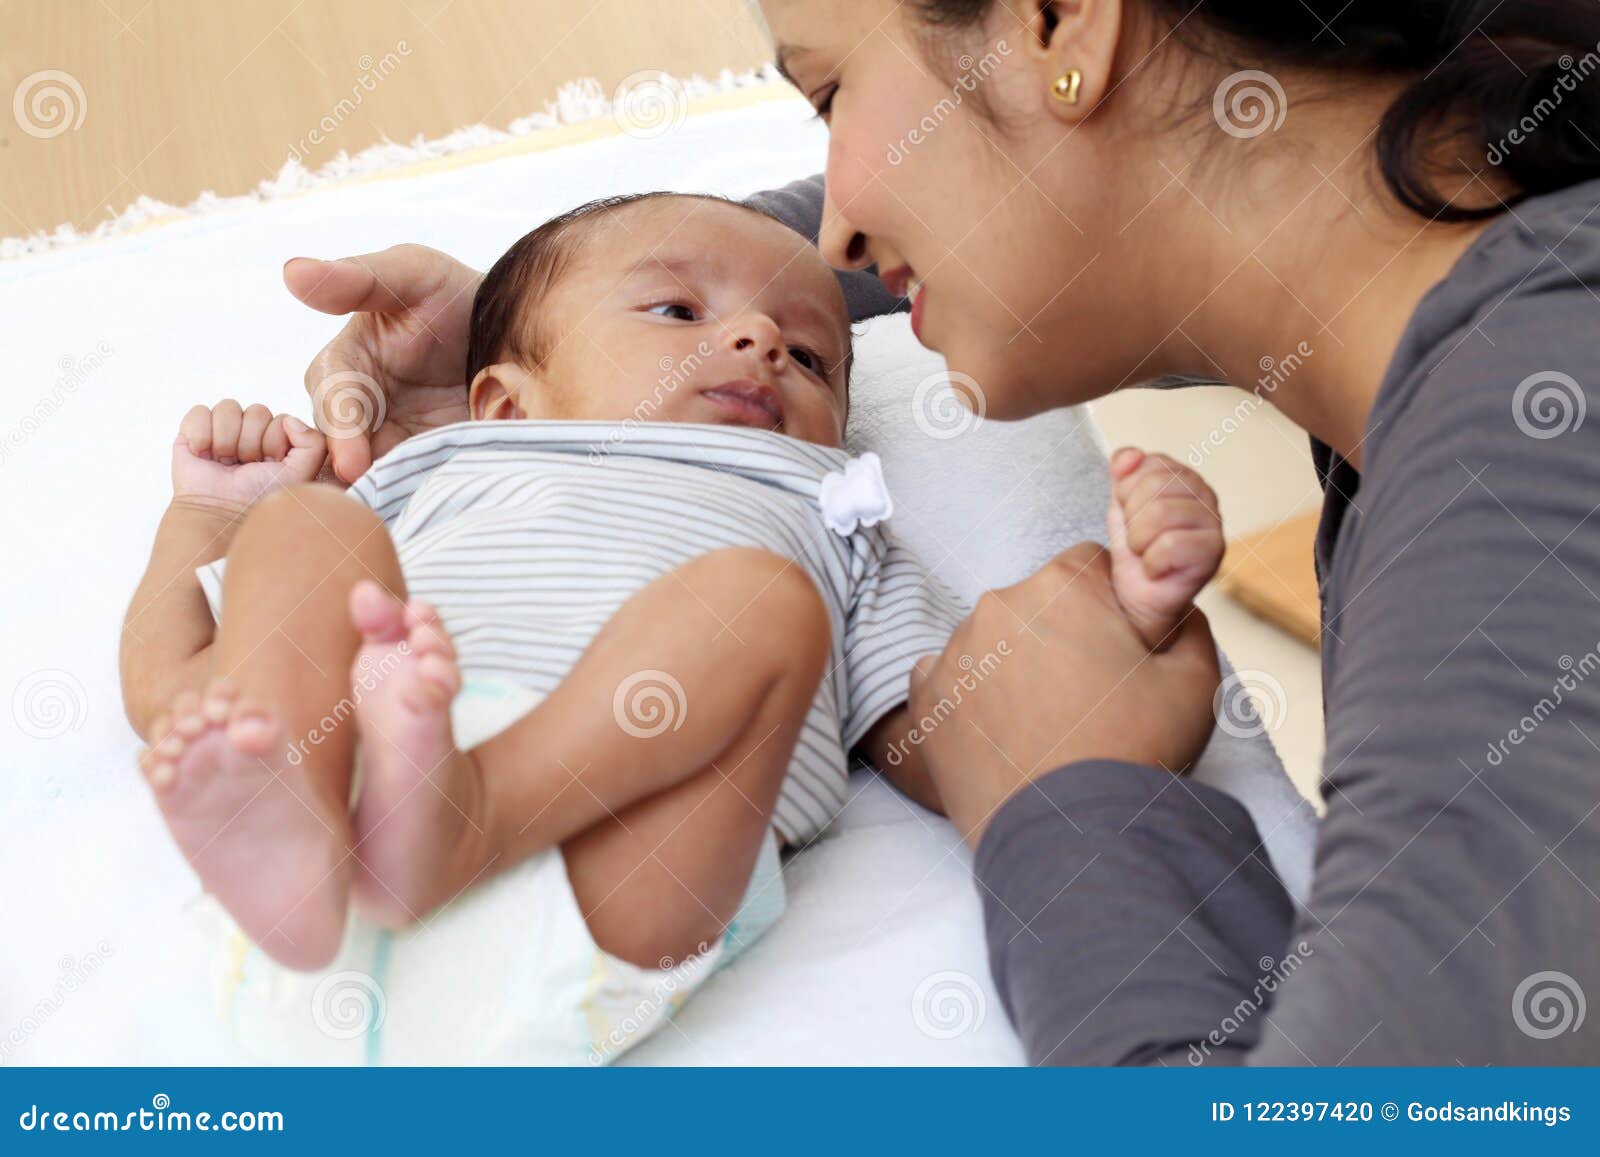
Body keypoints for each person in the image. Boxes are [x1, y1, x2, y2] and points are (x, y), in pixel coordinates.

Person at [279, 0, 1600, 1064]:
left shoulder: (1532, 465)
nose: (840, 218)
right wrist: (570, 308)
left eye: (829, 92)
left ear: (1065, 23)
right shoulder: (1495, 231)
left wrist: (1068, 790)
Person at [120, 192, 1224, 1061]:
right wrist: (204, 528)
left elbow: (949, 725)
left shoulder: (821, 513)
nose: (758, 341)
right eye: (678, 313)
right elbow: (180, 691)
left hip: (610, 877)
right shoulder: (437, 463)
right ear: (504, 400)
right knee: (307, 524)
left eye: (811, 355)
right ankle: (298, 807)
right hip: (324, 871)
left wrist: (1119, 614)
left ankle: (464, 815)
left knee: (757, 604)